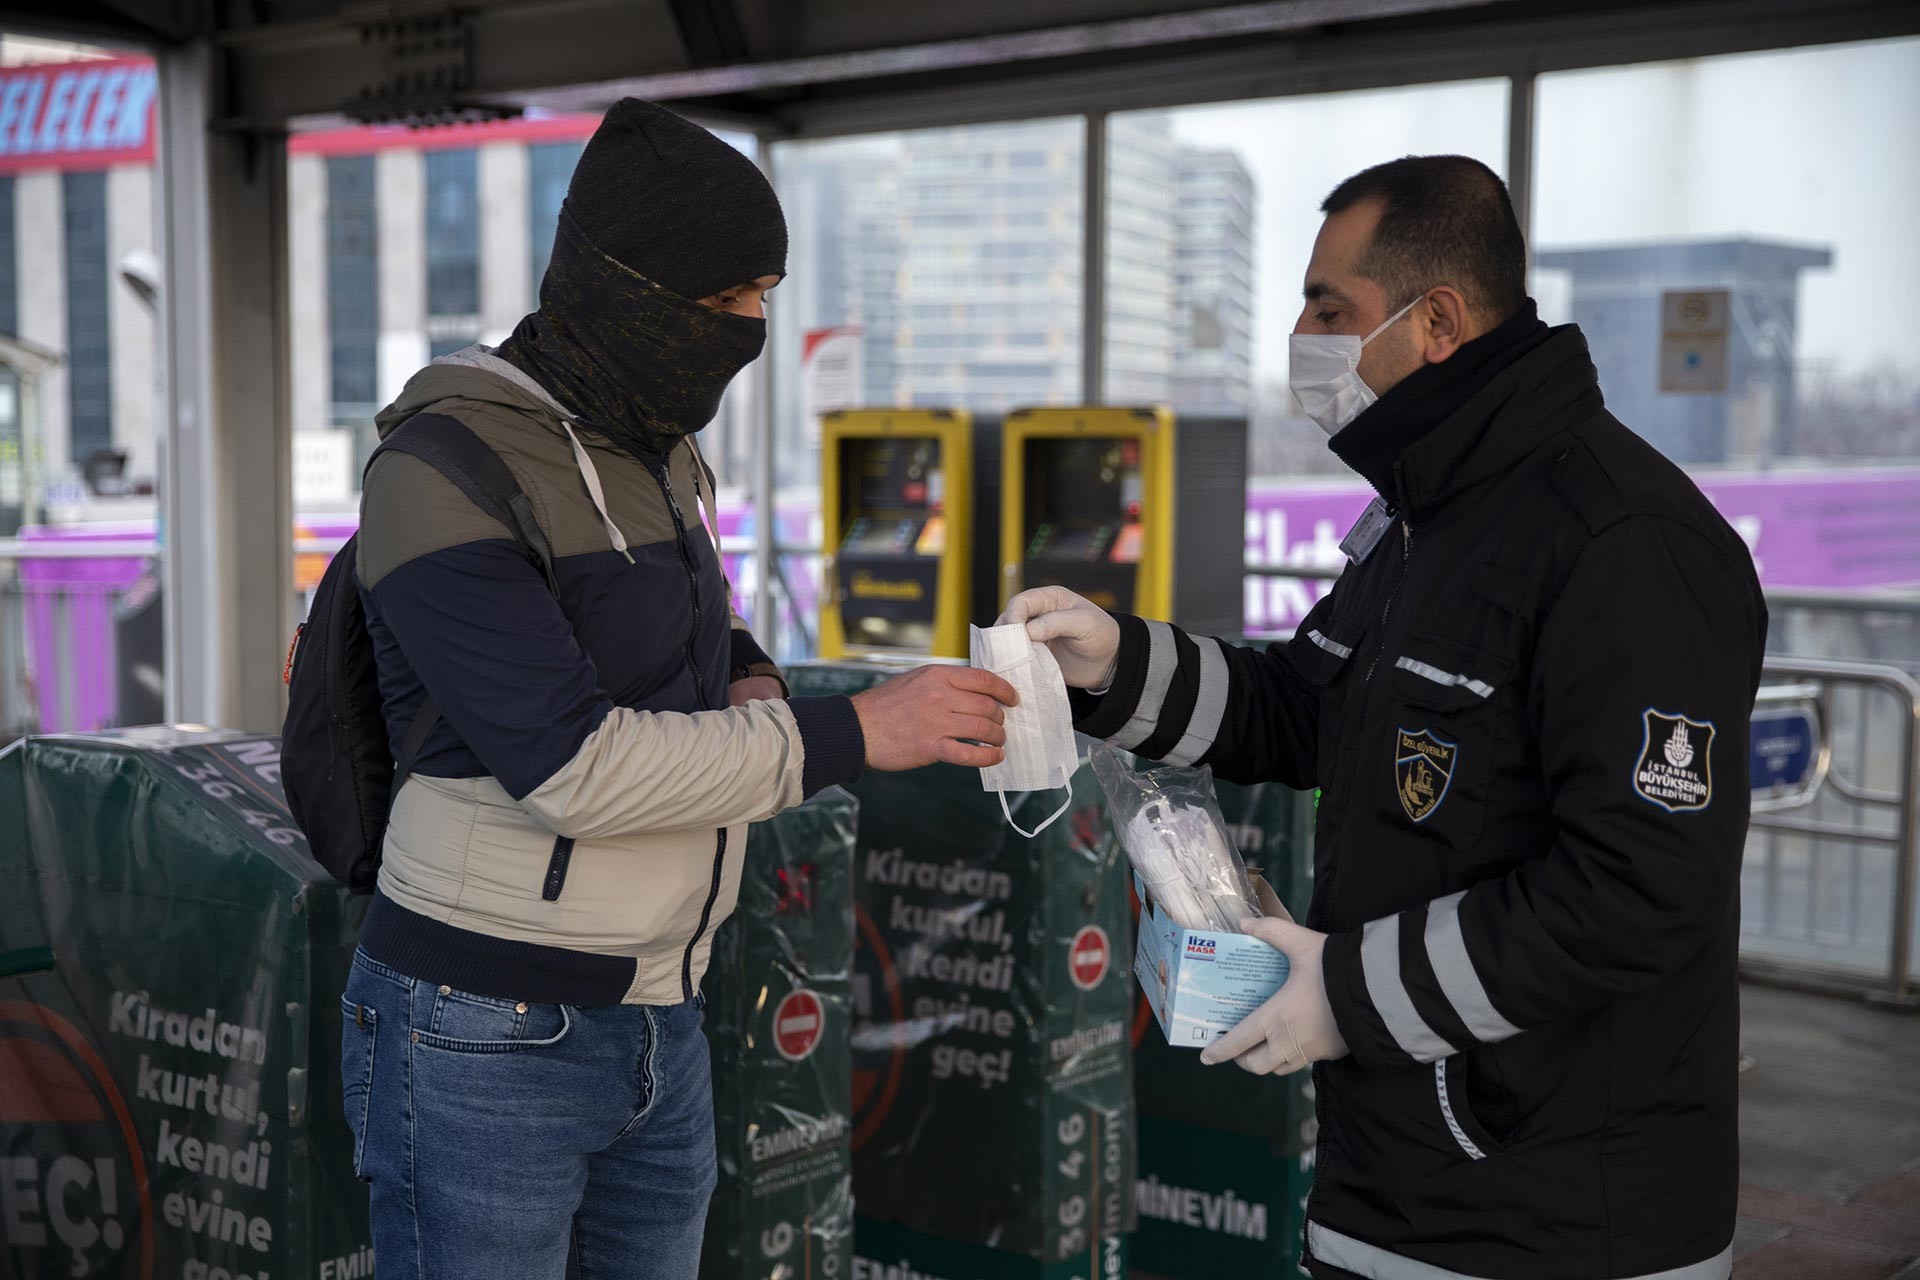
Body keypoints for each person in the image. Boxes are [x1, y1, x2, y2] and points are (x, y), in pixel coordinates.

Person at [1008, 155, 1764, 1280]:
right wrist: (1117, 662)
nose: (1301, 335)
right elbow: (1305, 707)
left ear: (1440, 320)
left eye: (1330, 307)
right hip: (1394, 1179)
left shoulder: (1625, 542)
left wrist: (1348, 992)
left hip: (1560, 1217)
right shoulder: (1426, 518)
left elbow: (1641, 885)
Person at [339, 99, 1017, 1280]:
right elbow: (568, 764)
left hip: (663, 1009)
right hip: (481, 1025)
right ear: (622, 286)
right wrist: (855, 726)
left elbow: (686, 631)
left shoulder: (656, 446)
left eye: (762, 292)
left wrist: (750, 671)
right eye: (722, 301)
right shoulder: (442, 466)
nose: (752, 326)